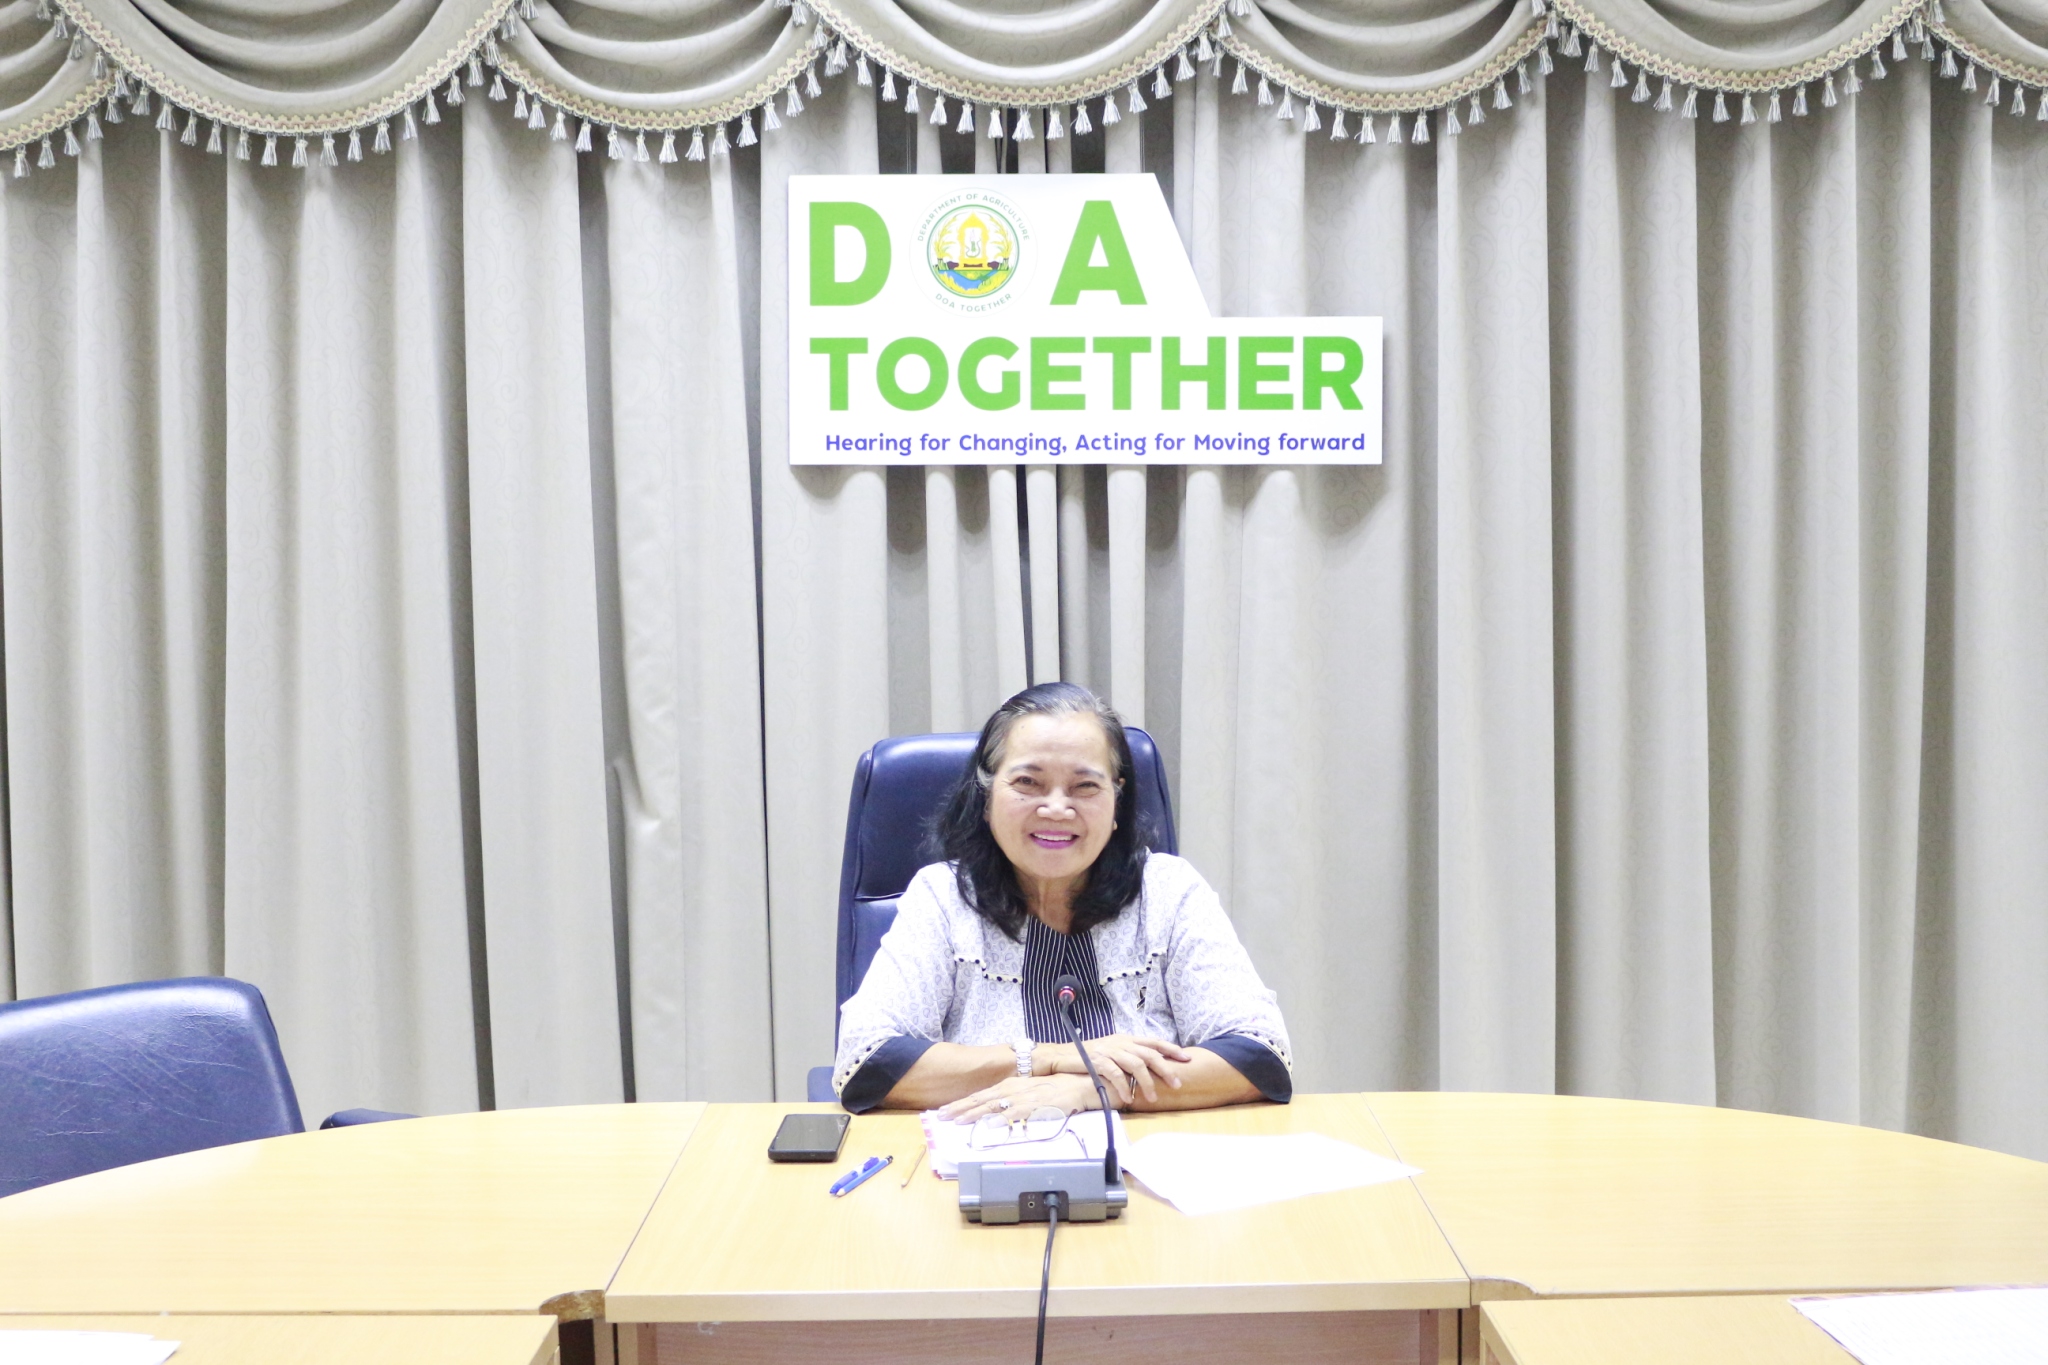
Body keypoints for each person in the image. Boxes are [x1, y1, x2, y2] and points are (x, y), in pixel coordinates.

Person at [833, 682, 1292, 1122]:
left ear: (1117, 802)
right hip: (986, 1157)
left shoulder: (1168, 891)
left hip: (1144, 1160)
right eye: (1027, 782)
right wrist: (1051, 1059)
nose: (1056, 808)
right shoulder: (944, 897)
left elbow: (1260, 1054)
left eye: (1085, 786)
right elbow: (866, 1062)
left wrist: (1094, 1091)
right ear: (987, 798)